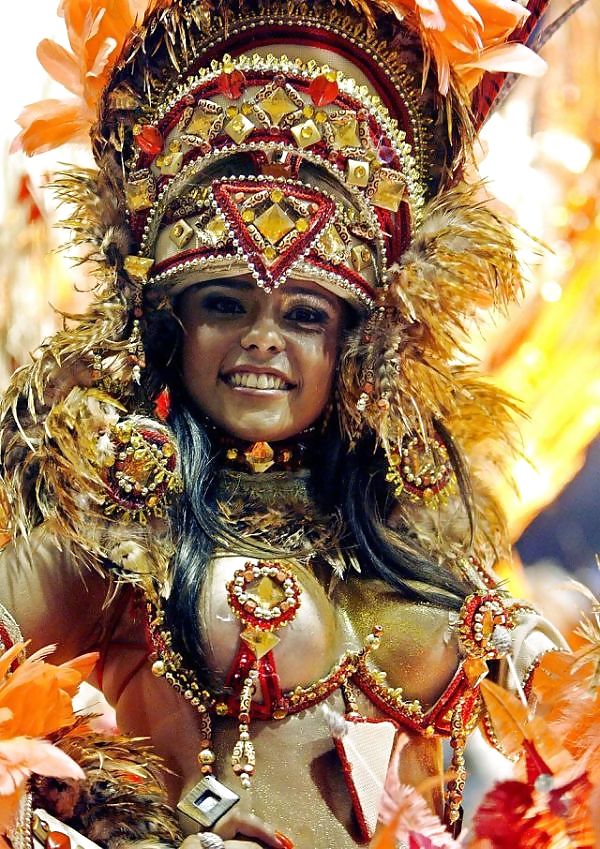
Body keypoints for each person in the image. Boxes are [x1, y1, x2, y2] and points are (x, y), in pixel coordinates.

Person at [0, 1, 567, 847]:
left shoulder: (407, 531)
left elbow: (563, 726)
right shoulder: (121, 529)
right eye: (226, 303)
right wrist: (106, 820)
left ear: (355, 345)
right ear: (170, 324)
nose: (262, 337)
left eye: (304, 314)